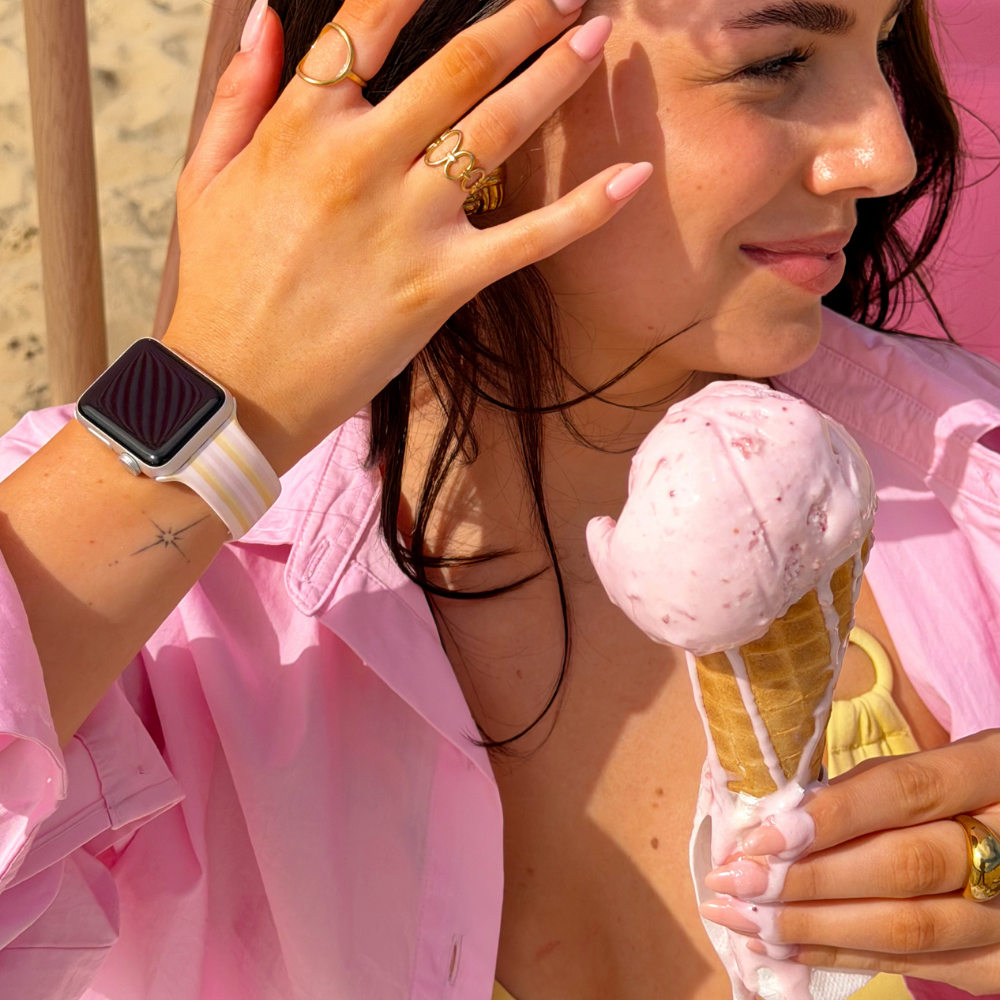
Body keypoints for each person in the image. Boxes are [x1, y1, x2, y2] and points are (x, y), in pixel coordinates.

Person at [0, 1, 999, 999]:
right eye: (775, 60)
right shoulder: (152, 603)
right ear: (460, 78)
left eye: (881, 46)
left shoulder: (969, 473)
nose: (887, 153)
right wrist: (211, 383)